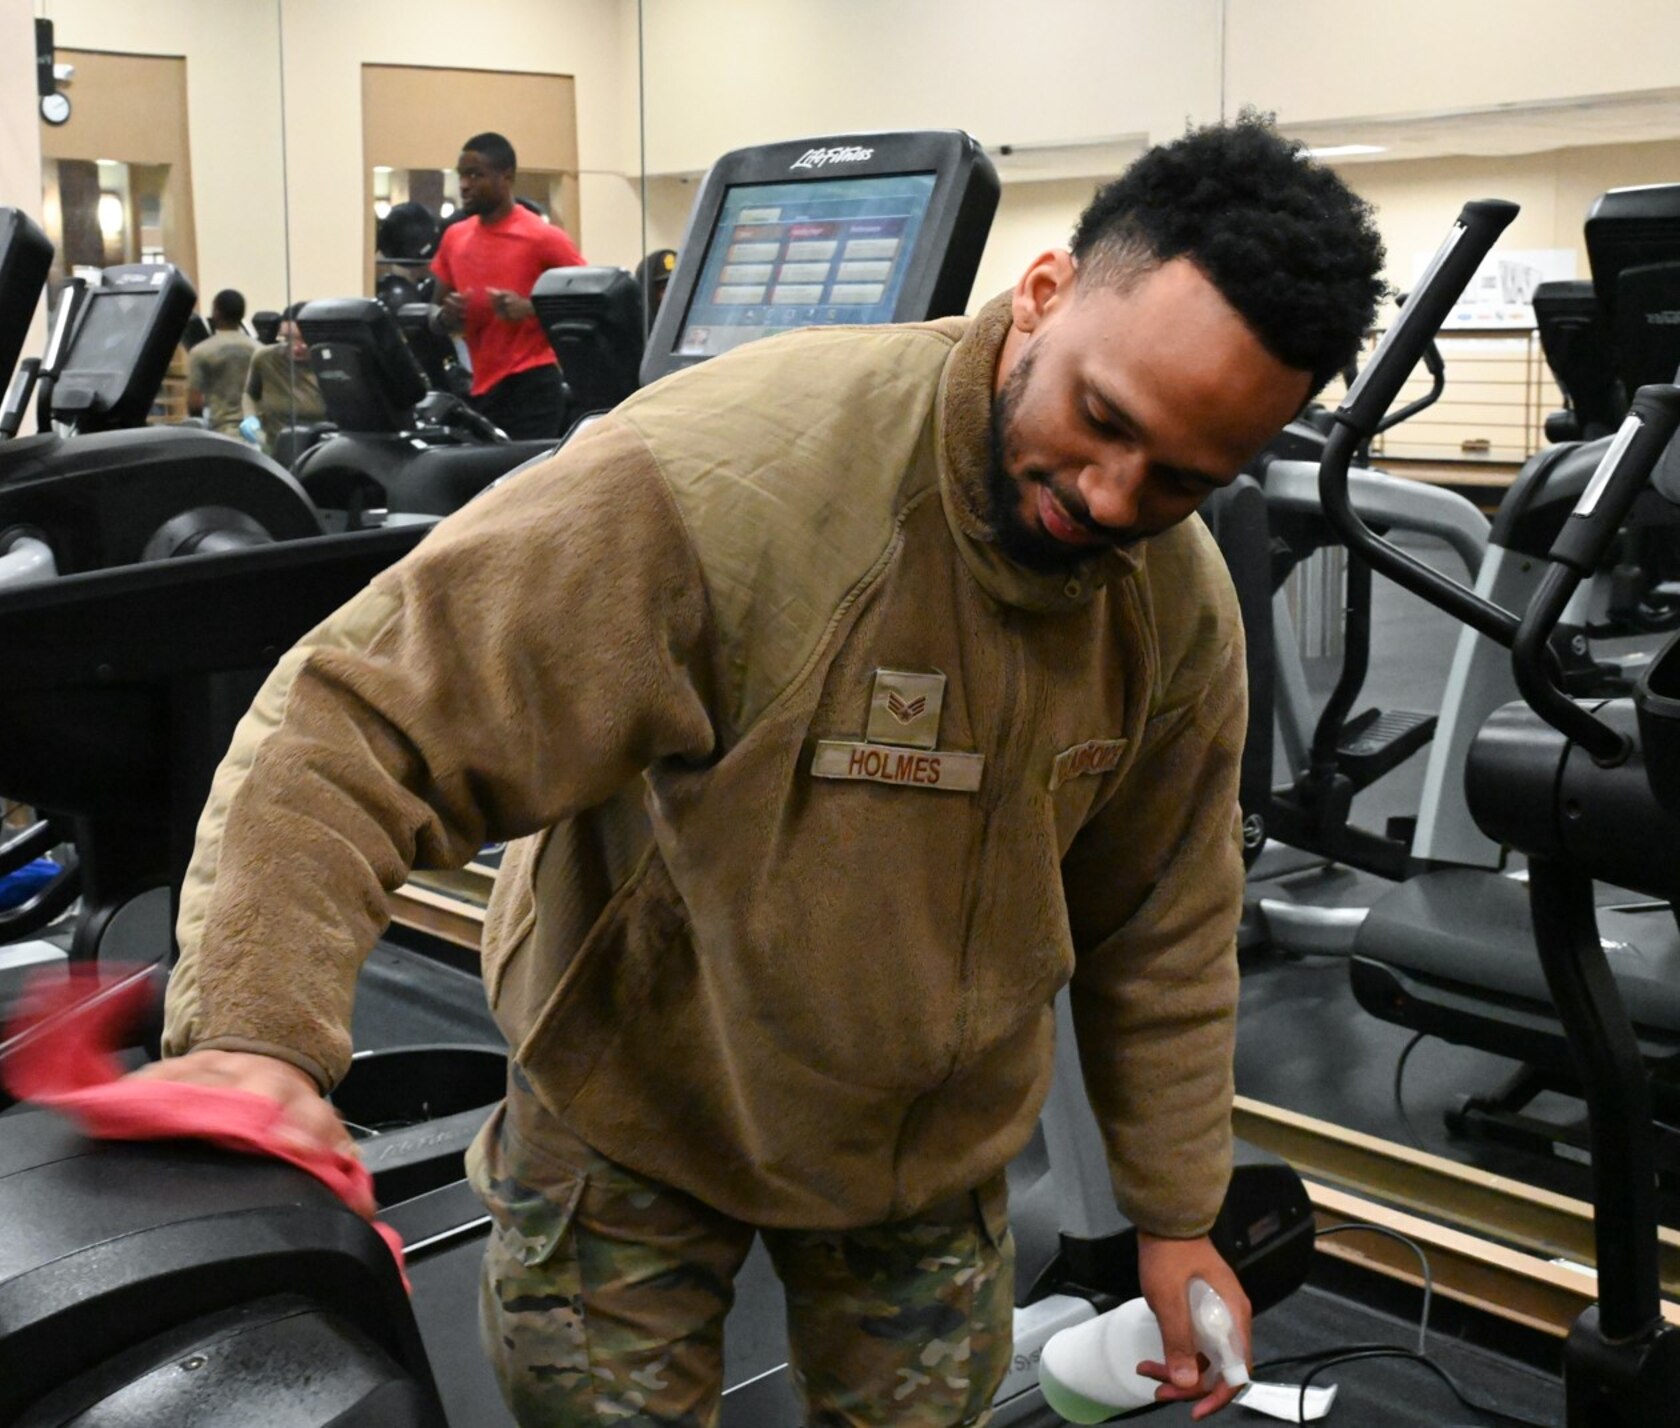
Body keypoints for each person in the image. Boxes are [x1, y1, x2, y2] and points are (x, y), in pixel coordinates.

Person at [149, 115, 1385, 1426]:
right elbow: (356, 722)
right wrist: (254, 1035)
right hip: (631, 1118)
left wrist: (1178, 1215)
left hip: (922, 1153)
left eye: (1183, 479)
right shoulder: (726, 484)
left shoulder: (1171, 607)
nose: (1117, 497)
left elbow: (1162, 921)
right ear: (1041, 296)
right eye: (1100, 419)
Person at [430, 131, 586, 439]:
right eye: (461, 175)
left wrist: (529, 307)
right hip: (479, 386)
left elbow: (585, 300)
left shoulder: (541, 236)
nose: (464, 185)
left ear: (506, 177)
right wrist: (446, 317)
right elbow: (435, 313)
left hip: (532, 384)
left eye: (475, 175)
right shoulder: (454, 238)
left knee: (524, 483)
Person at [242, 300, 324, 455]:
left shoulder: (326, 362)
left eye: (302, 339)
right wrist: (249, 417)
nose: (295, 347)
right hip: (274, 446)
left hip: (317, 448)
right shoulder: (265, 358)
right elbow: (250, 394)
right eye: (287, 339)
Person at [187, 289, 260, 437]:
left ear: (216, 311)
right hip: (256, 431)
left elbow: (194, 402)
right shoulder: (260, 349)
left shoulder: (201, 352)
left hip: (221, 432)